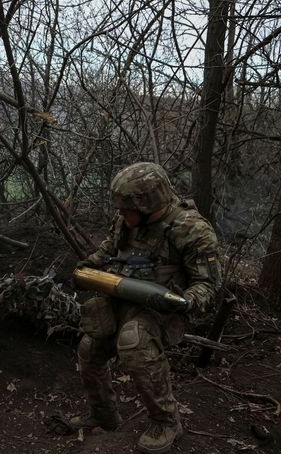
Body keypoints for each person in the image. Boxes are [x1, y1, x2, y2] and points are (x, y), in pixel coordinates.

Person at [70, 162, 221, 454]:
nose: (121, 215)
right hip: (123, 299)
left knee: (134, 341)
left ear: (149, 203)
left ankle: (166, 421)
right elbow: (109, 250)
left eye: (128, 209)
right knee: (90, 347)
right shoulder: (126, 221)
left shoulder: (190, 229)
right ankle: (104, 415)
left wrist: (187, 302)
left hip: (164, 310)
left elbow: (209, 284)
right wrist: (90, 267)